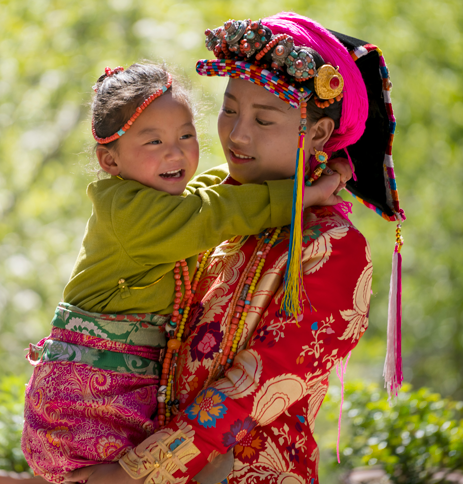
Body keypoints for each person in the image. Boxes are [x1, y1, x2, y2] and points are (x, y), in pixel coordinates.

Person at [65, 12, 406, 484]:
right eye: (229, 110)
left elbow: (254, 387)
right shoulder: (204, 206)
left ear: (321, 135)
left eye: (263, 119)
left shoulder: (333, 248)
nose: (236, 135)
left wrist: (139, 473)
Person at [20, 62, 344, 483]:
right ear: (109, 160)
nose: (175, 152)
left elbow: (215, 192)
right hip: (85, 398)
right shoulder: (130, 210)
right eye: (153, 141)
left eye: (186, 135)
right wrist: (303, 194)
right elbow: (215, 210)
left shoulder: (171, 200)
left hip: (126, 394)